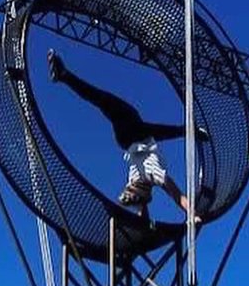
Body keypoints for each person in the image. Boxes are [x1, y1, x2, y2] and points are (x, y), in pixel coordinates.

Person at [48, 48, 206, 220]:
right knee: (105, 102)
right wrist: (192, 214)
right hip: (139, 137)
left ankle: (65, 76)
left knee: (103, 101)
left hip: (130, 140)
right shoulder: (153, 173)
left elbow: (143, 208)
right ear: (143, 190)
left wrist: (144, 221)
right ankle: (64, 76)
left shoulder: (135, 178)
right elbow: (174, 191)